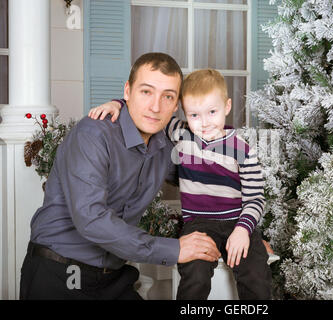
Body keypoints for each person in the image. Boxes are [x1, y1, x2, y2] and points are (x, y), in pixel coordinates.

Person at [20, 53, 221, 300]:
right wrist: (175, 248)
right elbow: (91, 218)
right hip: (59, 273)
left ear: (176, 105)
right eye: (146, 92)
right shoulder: (93, 135)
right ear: (127, 91)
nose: (156, 106)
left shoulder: (163, 148)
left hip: (112, 279)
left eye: (167, 96)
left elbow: (211, 181)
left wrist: (246, 234)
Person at [88, 69, 272, 300]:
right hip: (199, 225)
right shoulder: (183, 133)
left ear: (227, 107)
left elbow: (255, 198)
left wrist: (243, 230)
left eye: (212, 112)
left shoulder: (242, 149)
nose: (204, 123)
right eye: (194, 115)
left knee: (256, 274)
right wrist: (118, 104)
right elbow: (149, 114)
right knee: (194, 274)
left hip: (237, 222)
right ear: (185, 113)